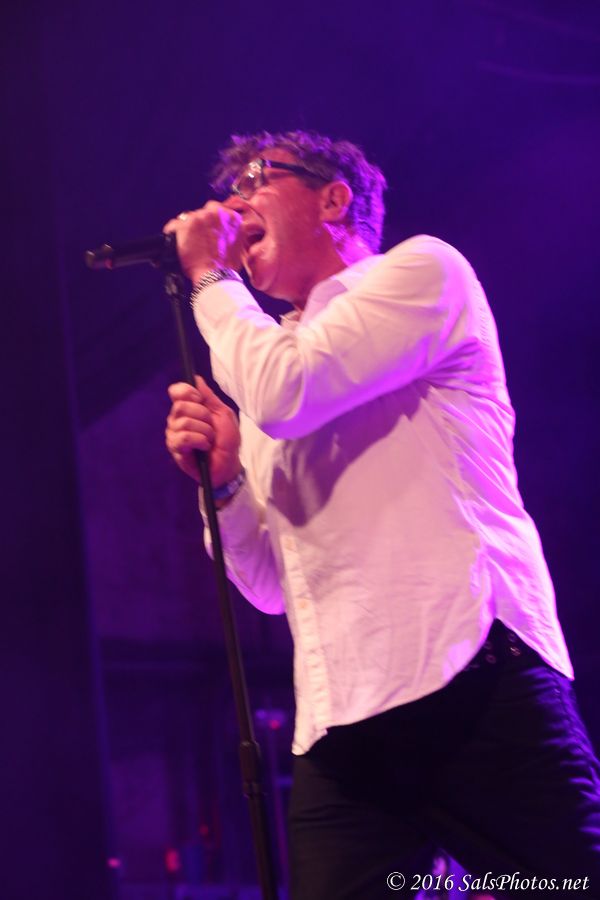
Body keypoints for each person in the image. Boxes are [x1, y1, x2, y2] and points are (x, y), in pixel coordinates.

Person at [164, 130, 600, 898]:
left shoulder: (422, 272)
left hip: (469, 675)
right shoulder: (267, 357)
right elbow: (269, 585)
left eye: (258, 180)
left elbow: (288, 391)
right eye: (230, 188)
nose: (234, 204)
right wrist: (226, 486)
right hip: (342, 724)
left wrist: (209, 276)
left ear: (334, 200)